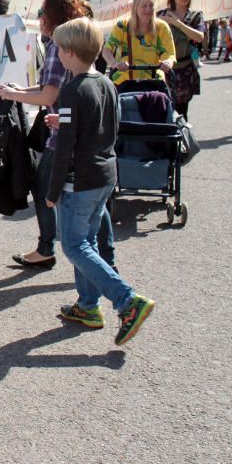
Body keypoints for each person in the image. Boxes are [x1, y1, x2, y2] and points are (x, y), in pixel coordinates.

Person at [47, 17, 155, 345]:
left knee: (75, 245)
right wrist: (64, 124)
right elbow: (106, 127)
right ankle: (87, 305)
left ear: (68, 52)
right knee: (88, 242)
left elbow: (66, 147)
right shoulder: (106, 82)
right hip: (105, 175)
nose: (58, 55)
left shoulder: (71, 89)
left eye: (59, 50)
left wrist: (52, 190)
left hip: (78, 182)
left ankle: (127, 300)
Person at [0, 0, 116, 271]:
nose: (39, 18)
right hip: (82, 140)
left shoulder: (56, 46)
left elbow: (50, 95)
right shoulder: (86, 60)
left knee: (48, 192)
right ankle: (103, 261)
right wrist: (17, 91)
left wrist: (15, 96)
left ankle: (52, 250)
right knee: (96, 206)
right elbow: (52, 90)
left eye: (42, 13)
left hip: (66, 137)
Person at [101, 0, 176, 86]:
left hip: (153, 82)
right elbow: (106, 51)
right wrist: (115, 64)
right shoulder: (122, 26)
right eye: (144, 6)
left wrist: (168, 62)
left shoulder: (162, 27)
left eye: (151, 6)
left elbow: (170, 54)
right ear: (135, 8)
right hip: (124, 82)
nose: (148, 9)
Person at [157, 0, 205, 118]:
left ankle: (180, 138)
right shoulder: (161, 15)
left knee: (181, 111)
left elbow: (199, 37)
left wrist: (177, 23)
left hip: (184, 70)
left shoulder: (195, 16)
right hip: (163, 69)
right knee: (163, 108)